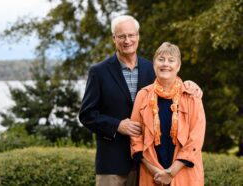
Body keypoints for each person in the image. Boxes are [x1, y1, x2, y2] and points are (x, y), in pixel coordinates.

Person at [79, 15, 202, 186]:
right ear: (114, 38)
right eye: (121, 36)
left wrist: (190, 84)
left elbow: (170, 84)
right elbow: (86, 115)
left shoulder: (152, 69)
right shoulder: (98, 72)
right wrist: (117, 125)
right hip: (113, 163)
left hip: (148, 164)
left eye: (131, 35)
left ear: (138, 36)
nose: (127, 40)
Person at [130, 42, 205, 186]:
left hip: (185, 174)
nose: (166, 64)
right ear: (154, 64)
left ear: (178, 66)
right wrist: (156, 172)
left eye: (171, 60)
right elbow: (136, 139)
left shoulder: (192, 96)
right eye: (161, 59)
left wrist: (171, 172)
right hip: (151, 174)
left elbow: (195, 140)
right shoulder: (142, 95)